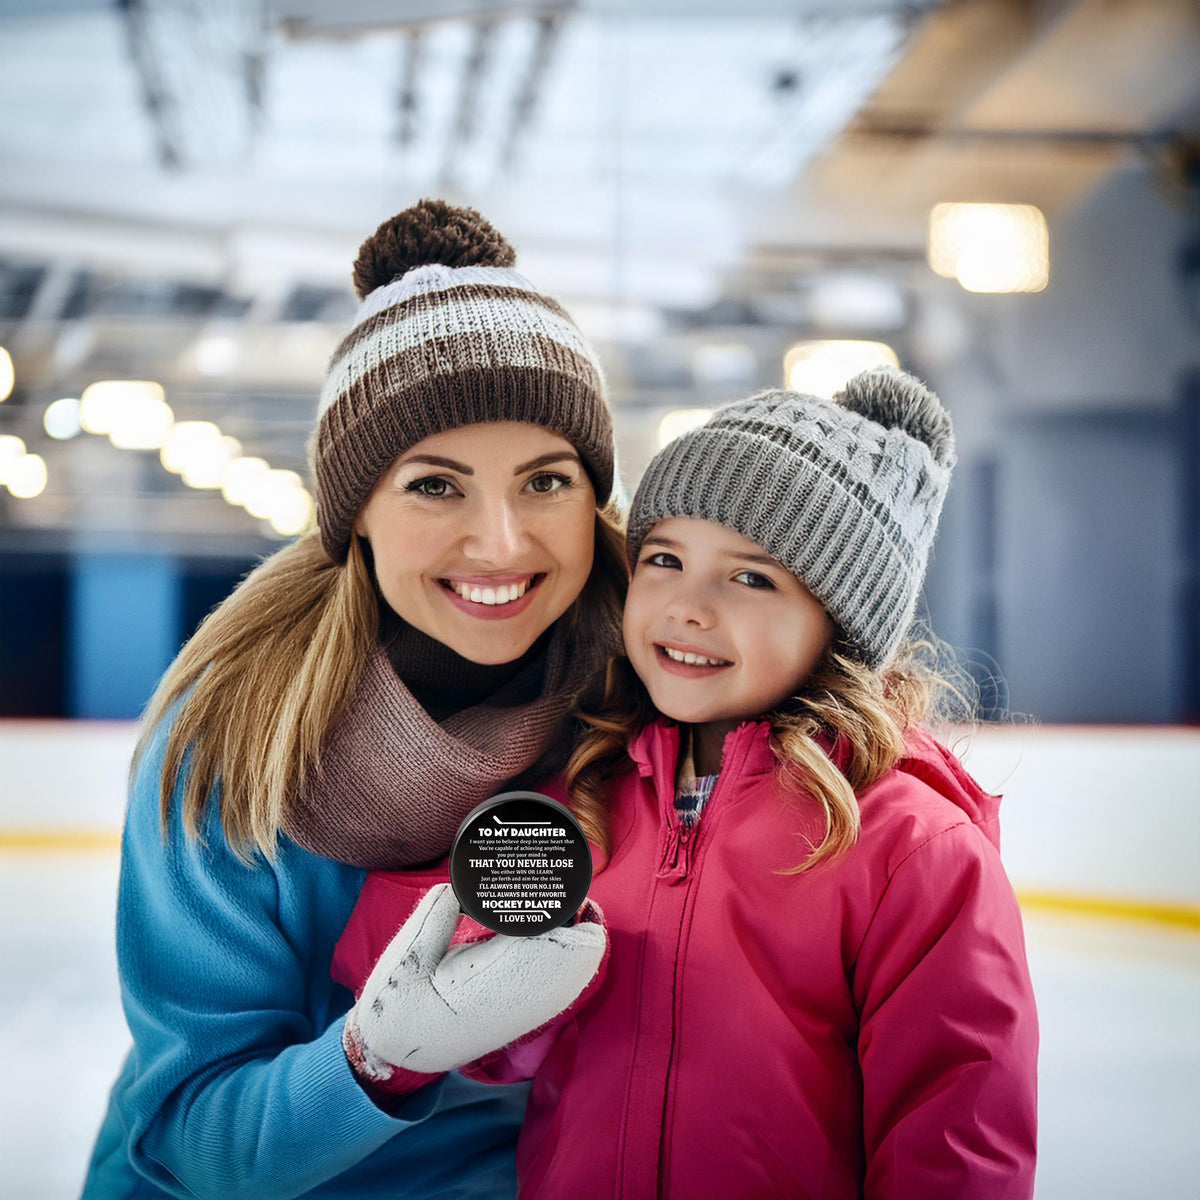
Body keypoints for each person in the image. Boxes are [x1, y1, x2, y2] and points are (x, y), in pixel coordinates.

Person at [335, 366, 1040, 1199]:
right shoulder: (583, 797)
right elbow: (488, 1040)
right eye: (664, 558)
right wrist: (438, 1005)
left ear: (841, 626)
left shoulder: (909, 849)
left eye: (752, 577)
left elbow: (955, 1144)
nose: (688, 605)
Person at [80, 198, 626, 1200]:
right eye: (435, 486)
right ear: (356, 514)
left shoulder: (651, 702)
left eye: (546, 482)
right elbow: (194, 1136)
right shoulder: (229, 748)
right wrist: (374, 1057)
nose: (502, 543)